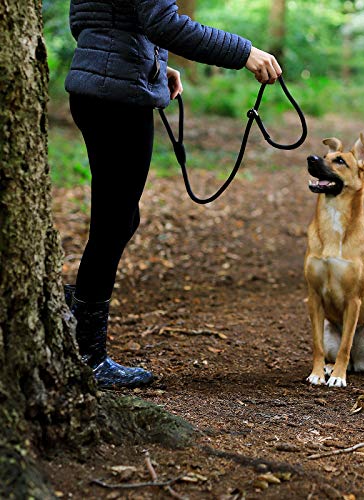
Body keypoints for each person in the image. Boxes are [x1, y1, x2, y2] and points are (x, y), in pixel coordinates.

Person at [63, 0, 281, 389]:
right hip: (117, 98)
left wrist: (153, 66)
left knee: (121, 219)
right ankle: (88, 356)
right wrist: (244, 52)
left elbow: (90, 21)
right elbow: (163, 23)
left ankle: (70, 315)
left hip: (96, 88)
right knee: (113, 223)